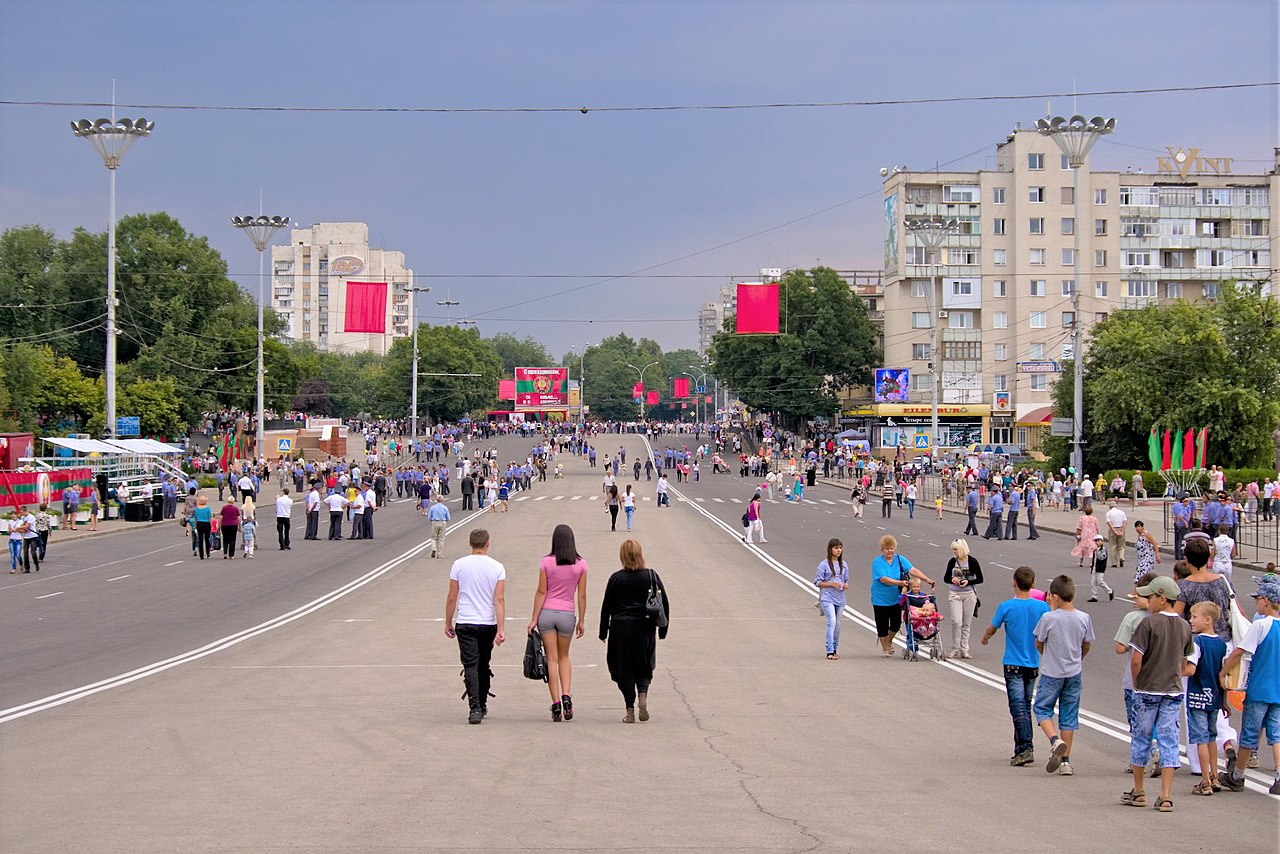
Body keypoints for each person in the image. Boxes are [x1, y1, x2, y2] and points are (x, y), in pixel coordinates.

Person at [1123, 576, 1195, 812]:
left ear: (1162, 599)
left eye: (1150, 597)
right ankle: (1166, 795)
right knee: (1169, 740)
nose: (1147, 601)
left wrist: (1137, 683)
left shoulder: (1148, 624)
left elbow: (1136, 660)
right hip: (1173, 690)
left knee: (1141, 737)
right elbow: (1184, 662)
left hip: (1147, 689)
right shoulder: (1185, 626)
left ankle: (1139, 790)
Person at [982, 566, 1050, 766]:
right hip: (1033, 664)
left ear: (1014, 582)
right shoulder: (1042, 608)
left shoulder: (1006, 606)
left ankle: (1026, 748)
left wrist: (986, 637)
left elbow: (992, 628)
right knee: (1024, 706)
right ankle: (1019, 748)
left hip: (1013, 663)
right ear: (1034, 584)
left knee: (1017, 707)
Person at [1217, 580, 1280, 795]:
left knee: (1249, 735)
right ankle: (1279, 776)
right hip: (1278, 690)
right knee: (1277, 735)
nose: (1256, 603)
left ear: (1266, 602)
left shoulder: (1261, 625)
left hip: (1259, 688)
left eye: (1258, 599)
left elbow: (1240, 650)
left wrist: (1224, 671)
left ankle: (1237, 775)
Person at [599, 539, 669, 723]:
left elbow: (606, 606)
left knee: (622, 668)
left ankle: (629, 710)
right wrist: (663, 630)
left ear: (622, 556)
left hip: (620, 628)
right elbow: (664, 603)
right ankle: (643, 695)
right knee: (644, 665)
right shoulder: (650, 576)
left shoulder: (616, 578)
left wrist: (602, 632)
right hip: (644, 627)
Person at [1033, 575, 1095, 777]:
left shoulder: (1048, 618)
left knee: (1042, 708)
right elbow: (1086, 644)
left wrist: (1048, 655)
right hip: (1074, 672)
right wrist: (1078, 658)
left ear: (1054, 596)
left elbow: (1039, 642)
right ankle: (1066, 762)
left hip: (1052, 672)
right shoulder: (1084, 618)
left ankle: (1054, 740)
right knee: (1068, 715)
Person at [527, 524, 588, 722]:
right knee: (564, 657)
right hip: (567, 614)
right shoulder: (580, 564)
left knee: (550, 658)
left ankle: (555, 703)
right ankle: (567, 696)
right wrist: (582, 620)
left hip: (546, 614)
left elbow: (541, 591)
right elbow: (582, 594)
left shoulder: (546, 562)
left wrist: (534, 619)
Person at [445, 528, 507, 725]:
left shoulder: (459, 565)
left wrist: (448, 621)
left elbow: (452, 596)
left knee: (470, 664)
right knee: (483, 664)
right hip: (487, 623)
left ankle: (475, 707)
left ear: (471, 544)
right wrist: (501, 628)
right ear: (487, 544)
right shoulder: (497, 567)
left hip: (465, 621)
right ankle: (483, 701)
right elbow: (499, 599)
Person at [1115, 571, 1160, 777]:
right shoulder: (1167, 618)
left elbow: (1120, 648)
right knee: (1156, 720)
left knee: (1136, 721)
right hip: (1160, 680)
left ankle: (1138, 760)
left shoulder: (1132, 618)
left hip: (1134, 680)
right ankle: (1158, 749)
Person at [1186, 601, 1227, 797]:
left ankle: (1205, 781)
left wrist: (1178, 669)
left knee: (1200, 739)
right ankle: (1215, 775)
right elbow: (1223, 673)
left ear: (1208, 620)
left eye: (1194, 617)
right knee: (1211, 737)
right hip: (1215, 697)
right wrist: (1224, 699)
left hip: (1197, 696)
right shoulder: (1221, 644)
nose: (1191, 620)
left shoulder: (1197, 643)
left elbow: (1191, 668)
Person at [870, 534, 935, 657]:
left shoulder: (900, 559)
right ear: (882, 549)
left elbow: (912, 570)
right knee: (882, 624)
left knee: (896, 623)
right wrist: (900, 582)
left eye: (892, 548)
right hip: (880, 598)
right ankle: (885, 648)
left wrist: (926, 579)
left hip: (896, 598)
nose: (890, 551)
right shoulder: (877, 562)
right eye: (887, 548)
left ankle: (889, 641)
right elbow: (884, 579)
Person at [943, 538, 984, 659]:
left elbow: (980, 578)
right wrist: (952, 579)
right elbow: (945, 578)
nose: (954, 552)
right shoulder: (952, 562)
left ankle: (964, 649)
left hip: (969, 594)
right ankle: (954, 648)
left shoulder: (972, 561)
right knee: (956, 622)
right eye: (953, 549)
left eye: (956, 549)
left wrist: (968, 581)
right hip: (955, 594)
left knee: (966, 623)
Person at [814, 539, 849, 660]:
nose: (838, 550)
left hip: (840, 598)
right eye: (836, 548)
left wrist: (845, 585)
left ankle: (834, 649)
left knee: (838, 625)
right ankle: (829, 650)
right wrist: (830, 584)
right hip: (827, 597)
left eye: (840, 548)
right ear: (830, 549)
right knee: (831, 622)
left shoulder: (843, 564)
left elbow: (846, 580)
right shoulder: (824, 564)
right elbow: (817, 582)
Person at [1088, 533, 1115, 603]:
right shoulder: (1095, 550)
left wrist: (1097, 551)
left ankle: (1110, 591)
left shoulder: (1103, 549)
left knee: (1100, 581)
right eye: (1096, 541)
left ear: (1102, 541)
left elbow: (1101, 557)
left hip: (1100, 568)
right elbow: (1094, 559)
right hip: (1095, 567)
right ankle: (1094, 596)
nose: (1097, 542)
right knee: (1093, 582)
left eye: (1098, 540)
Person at [1105, 501, 1128, 570]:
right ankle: (1121, 556)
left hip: (1113, 530)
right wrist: (1122, 531)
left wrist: (1114, 531)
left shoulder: (1108, 513)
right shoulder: (1122, 512)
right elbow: (1125, 522)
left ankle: (1114, 563)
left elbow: (1109, 523)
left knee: (1113, 546)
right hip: (1121, 528)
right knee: (1121, 546)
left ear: (1109, 506)